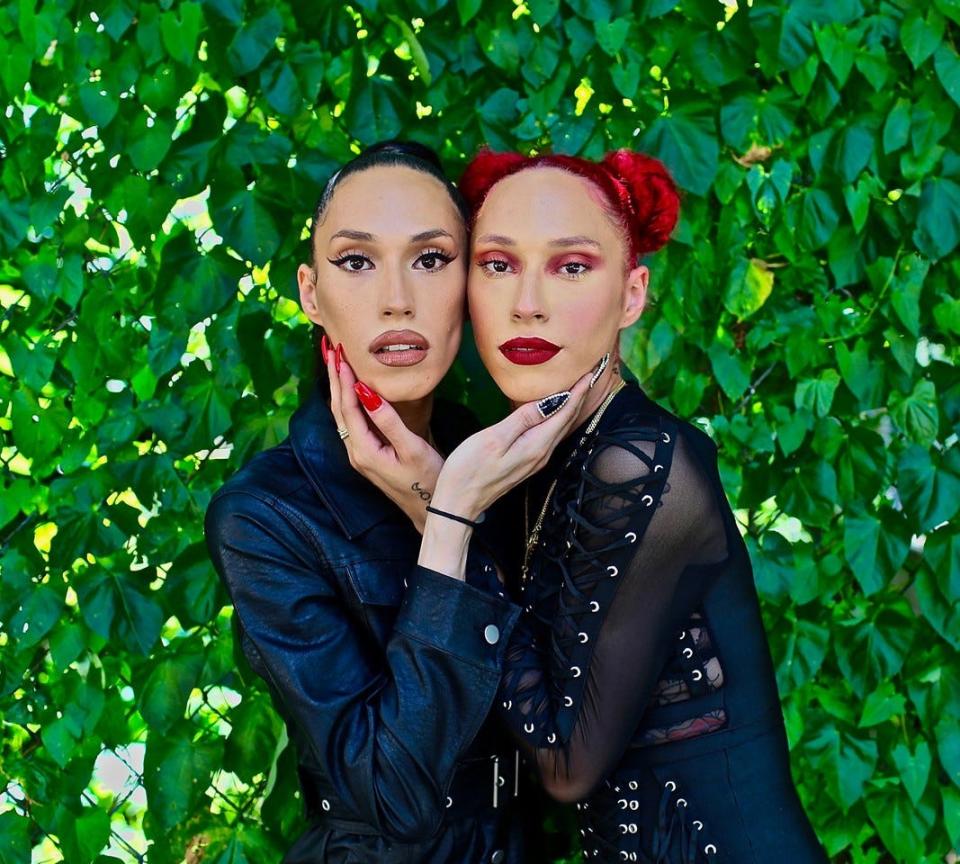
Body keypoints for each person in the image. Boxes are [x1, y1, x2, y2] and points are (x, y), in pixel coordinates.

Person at [343, 148, 828, 863]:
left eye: (571, 267)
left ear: (632, 295)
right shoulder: (536, 451)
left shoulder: (639, 462)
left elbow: (565, 764)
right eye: (499, 265)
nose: (527, 302)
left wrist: (442, 513)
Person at [203, 141, 588, 864]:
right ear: (310, 293)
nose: (396, 299)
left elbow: (574, 722)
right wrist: (446, 524)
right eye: (356, 261)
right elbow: (394, 797)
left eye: (431, 258)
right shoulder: (264, 517)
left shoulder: (506, 456)